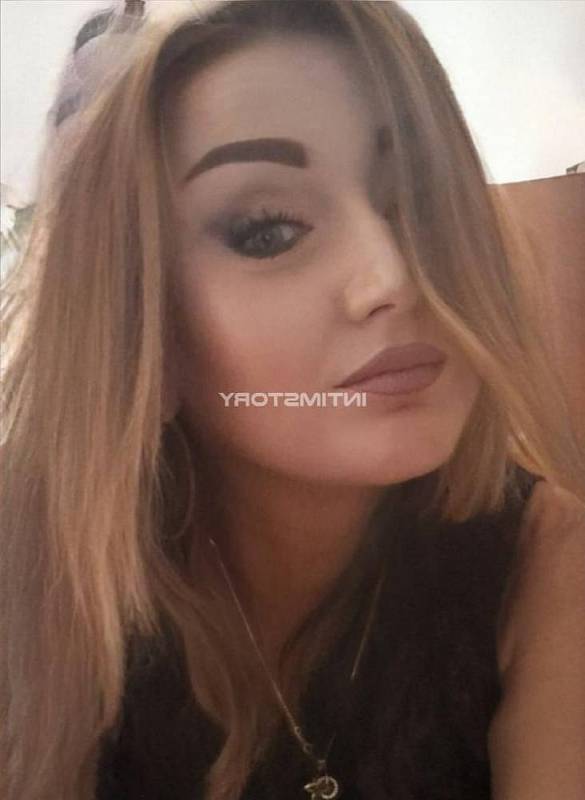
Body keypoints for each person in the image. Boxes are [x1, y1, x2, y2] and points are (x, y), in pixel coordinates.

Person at [1, 2, 584, 799]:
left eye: (417, 197)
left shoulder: (549, 561)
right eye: (269, 230)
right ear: (146, 329)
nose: (391, 276)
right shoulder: (31, 562)